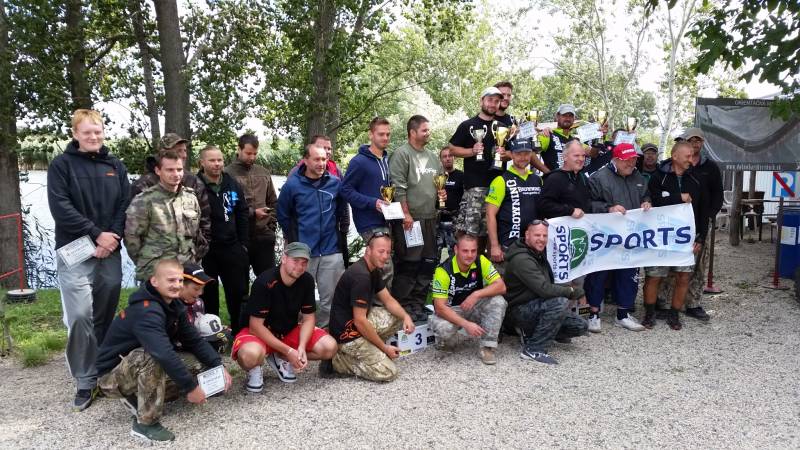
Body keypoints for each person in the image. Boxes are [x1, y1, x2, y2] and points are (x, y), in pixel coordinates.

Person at [47, 109, 131, 411]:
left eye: (98, 131)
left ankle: (102, 366)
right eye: (87, 132)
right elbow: (61, 208)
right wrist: (96, 234)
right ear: (75, 134)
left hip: (109, 250)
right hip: (75, 250)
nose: (93, 137)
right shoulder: (61, 165)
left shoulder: (115, 166)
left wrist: (113, 236)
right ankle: (84, 378)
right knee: (80, 314)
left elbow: (125, 205)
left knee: (104, 313)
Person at [96, 259, 232, 443]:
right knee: (151, 356)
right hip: (111, 377)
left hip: (133, 365)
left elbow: (193, 340)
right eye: (171, 280)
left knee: (195, 360)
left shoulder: (175, 305)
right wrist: (191, 388)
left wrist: (218, 365)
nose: (177, 285)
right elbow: (162, 353)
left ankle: (143, 396)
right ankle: (145, 424)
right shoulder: (146, 311)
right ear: (154, 281)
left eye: (180, 280)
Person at [231, 243, 337, 392]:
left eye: (304, 262)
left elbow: (308, 318)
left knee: (330, 348)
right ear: (284, 259)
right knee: (250, 356)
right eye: (295, 261)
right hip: (259, 333)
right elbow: (255, 327)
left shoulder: (307, 280)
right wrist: (289, 351)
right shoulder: (264, 282)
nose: (300, 267)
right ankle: (255, 367)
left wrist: (301, 347)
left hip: (287, 330)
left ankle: (280, 356)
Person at [328, 233, 415, 381]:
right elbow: (360, 321)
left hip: (357, 323)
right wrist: (384, 348)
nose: (385, 256)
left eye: (388, 252)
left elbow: (388, 300)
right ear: (368, 250)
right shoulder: (361, 277)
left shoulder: (372, 269)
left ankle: (369, 347)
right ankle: (338, 361)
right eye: (381, 251)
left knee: (397, 316)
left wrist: (406, 316)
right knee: (388, 372)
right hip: (347, 335)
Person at [277, 145, 348, 329]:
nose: (321, 163)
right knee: (298, 297)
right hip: (303, 251)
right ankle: (295, 332)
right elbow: (282, 214)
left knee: (331, 299)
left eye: (324, 159)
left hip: (331, 250)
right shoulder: (292, 185)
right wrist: (294, 240)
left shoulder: (335, 183)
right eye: (316, 159)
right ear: (306, 160)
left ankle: (325, 333)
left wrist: (340, 234)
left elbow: (342, 210)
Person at [657, 127, 723, 322]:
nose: (695, 144)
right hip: (674, 225)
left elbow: (717, 195)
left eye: (698, 140)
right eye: (691, 140)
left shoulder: (710, 167)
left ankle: (693, 303)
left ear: (702, 143)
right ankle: (665, 302)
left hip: (700, 222)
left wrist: (709, 216)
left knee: (698, 264)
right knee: (671, 264)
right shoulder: (668, 167)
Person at [584, 143, 649, 332]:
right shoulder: (598, 177)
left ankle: (623, 314)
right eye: (627, 160)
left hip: (630, 237)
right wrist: (609, 208)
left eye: (634, 159)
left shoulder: (638, 176)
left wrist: (646, 202)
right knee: (598, 274)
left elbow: (646, 195)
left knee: (629, 275)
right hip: (604, 236)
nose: (631, 163)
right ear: (616, 160)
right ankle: (593, 314)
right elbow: (588, 204)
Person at [503, 220, 589, 365]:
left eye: (544, 236)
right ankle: (533, 349)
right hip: (518, 310)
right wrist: (572, 292)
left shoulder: (536, 253)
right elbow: (544, 289)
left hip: (536, 305)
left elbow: (547, 285)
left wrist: (572, 290)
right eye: (537, 235)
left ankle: (531, 333)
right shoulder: (522, 259)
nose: (542, 239)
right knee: (559, 302)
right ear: (527, 235)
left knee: (580, 325)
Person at [388, 115, 446, 322]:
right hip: (410, 221)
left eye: (428, 130)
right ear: (412, 132)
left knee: (427, 263)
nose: (428, 133)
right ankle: (403, 306)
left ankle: (418, 304)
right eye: (424, 130)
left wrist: (441, 195)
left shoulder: (432, 157)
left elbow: (439, 184)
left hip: (430, 218)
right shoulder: (402, 154)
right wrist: (405, 214)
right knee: (409, 264)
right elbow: (398, 187)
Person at [643, 142, 706, 330]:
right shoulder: (657, 177)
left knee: (683, 276)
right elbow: (653, 202)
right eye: (687, 156)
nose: (691, 159)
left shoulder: (696, 179)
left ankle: (674, 314)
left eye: (692, 156)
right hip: (660, 236)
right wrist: (678, 197)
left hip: (685, 237)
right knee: (653, 276)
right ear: (675, 156)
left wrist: (700, 237)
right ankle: (649, 314)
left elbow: (703, 211)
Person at [125, 148, 206, 281]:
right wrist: (147, 262)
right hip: (156, 270)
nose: (176, 174)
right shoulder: (144, 200)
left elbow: (196, 233)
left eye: (179, 169)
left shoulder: (190, 197)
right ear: (158, 171)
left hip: (187, 267)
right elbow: (132, 239)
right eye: (170, 170)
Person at [429, 233, 507, 364]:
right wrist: (466, 324)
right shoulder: (443, 270)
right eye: (465, 251)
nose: (470, 255)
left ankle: (487, 347)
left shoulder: (481, 260)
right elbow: (440, 307)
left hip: (474, 306)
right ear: (456, 250)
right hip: (452, 309)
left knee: (498, 301)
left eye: (473, 251)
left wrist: (476, 294)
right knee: (444, 328)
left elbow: (501, 286)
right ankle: (447, 342)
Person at [196, 145, 250, 333]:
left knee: (238, 293)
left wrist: (244, 244)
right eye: (212, 160)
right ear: (202, 162)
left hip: (232, 247)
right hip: (206, 249)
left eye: (219, 160)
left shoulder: (232, 183)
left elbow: (242, 213)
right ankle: (211, 335)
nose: (217, 164)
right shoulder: (194, 185)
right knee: (207, 294)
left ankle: (239, 333)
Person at [447, 87, 505, 253]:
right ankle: (471, 265)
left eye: (496, 101)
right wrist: (471, 151)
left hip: (497, 187)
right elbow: (452, 149)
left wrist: (504, 153)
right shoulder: (468, 125)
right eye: (490, 100)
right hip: (475, 187)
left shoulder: (502, 127)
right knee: (472, 233)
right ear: (481, 101)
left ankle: (487, 266)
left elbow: (512, 155)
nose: (493, 104)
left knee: (493, 232)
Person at [129, 133, 211, 246]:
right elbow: (132, 231)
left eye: (185, 150)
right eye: (178, 151)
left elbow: (205, 220)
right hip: (154, 255)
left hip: (189, 254)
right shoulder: (143, 185)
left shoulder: (194, 182)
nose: (184, 155)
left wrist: (200, 248)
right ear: (163, 153)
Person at [341, 117, 393, 283]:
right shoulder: (359, 161)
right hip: (369, 222)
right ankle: (378, 301)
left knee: (381, 269)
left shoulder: (388, 160)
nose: (385, 138)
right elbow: (345, 190)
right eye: (381, 134)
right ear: (371, 135)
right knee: (385, 268)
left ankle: (369, 297)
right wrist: (373, 203)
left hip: (388, 220)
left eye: (388, 134)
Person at [226, 134, 279, 276]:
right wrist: (253, 213)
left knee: (269, 281)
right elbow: (227, 206)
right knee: (239, 283)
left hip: (264, 236)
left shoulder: (263, 172)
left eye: (255, 154)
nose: (252, 157)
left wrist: (271, 226)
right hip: (238, 238)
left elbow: (273, 201)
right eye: (248, 153)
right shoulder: (227, 174)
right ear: (239, 149)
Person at [485, 139, 542, 269]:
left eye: (526, 153)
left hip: (533, 246)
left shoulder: (537, 180)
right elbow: (489, 215)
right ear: (511, 154)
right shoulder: (500, 180)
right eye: (518, 154)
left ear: (531, 154)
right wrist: (494, 246)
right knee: (505, 282)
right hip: (508, 247)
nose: (523, 157)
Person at [438, 146, 464, 257]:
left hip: (455, 222)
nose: (447, 158)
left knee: (455, 254)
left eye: (450, 156)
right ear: (440, 159)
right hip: (437, 220)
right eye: (444, 156)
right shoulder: (436, 176)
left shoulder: (462, 176)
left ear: (454, 158)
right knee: (434, 253)